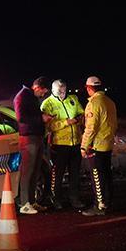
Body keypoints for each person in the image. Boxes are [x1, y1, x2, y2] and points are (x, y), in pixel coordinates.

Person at [41, 79, 86, 210]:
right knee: (58, 173)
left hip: (75, 142)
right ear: (53, 90)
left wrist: (79, 119)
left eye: (64, 90)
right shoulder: (47, 104)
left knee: (75, 173)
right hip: (59, 145)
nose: (62, 93)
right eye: (59, 91)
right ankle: (56, 199)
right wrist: (65, 123)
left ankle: (75, 198)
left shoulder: (73, 99)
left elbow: (81, 113)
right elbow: (47, 127)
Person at [80, 76, 118, 216]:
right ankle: (107, 202)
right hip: (107, 143)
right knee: (107, 174)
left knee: (97, 176)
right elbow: (114, 124)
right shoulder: (110, 102)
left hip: (97, 145)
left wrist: (84, 146)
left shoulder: (94, 103)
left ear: (89, 88)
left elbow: (91, 128)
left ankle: (99, 205)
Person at [14, 76, 51, 215]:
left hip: (37, 137)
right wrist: (40, 118)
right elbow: (21, 118)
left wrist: (43, 116)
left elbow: (32, 114)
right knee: (27, 171)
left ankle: (32, 201)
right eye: (43, 92)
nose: (43, 95)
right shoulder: (22, 96)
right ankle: (24, 203)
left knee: (35, 171)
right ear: (37, 87)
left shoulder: (31, 97)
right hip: (28, 138)